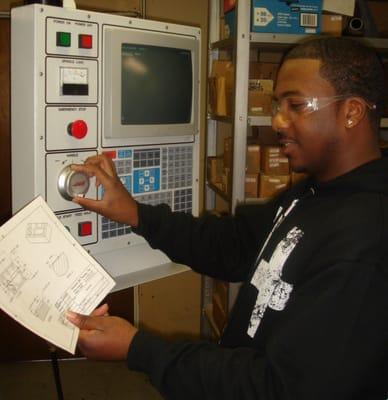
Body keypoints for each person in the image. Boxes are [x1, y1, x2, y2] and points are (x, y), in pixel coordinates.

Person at [66, 37, 388, 399]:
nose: (277, 120)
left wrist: (138, 349)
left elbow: (280, 389)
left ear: (352, 112)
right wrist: (135, 214)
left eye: (296, 105)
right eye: (277, 104)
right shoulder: (314, 193)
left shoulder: (365, 242)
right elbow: (232, 245)